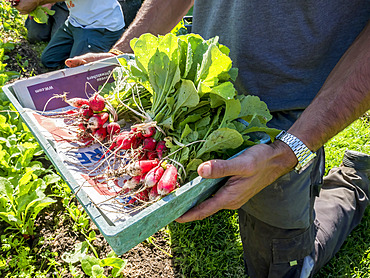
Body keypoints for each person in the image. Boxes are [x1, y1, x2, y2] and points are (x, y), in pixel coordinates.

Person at [65, 1, 370, 277]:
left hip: (286, 125)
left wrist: (288, 152)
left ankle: (353, 181)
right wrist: (125, 52)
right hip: (200, 98)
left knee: (283, 268)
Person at [15, 0, 127, 68]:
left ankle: (99, 46)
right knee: (48, 59)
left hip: (98, 25)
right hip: (75, 21)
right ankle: (78, 45)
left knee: (73, 73)